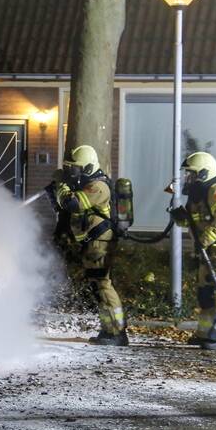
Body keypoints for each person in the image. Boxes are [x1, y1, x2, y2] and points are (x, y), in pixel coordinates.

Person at [55, 145, 127, 346]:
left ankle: (117, 332)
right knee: (98, 287)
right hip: (94, 243)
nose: (72, 172)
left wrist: (62, 185)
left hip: (100, 243)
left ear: (87, 168)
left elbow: (72, 203)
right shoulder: (88, 183)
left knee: (103, 285)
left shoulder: (98, 186)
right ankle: (109, 329)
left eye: (76, 168)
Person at [169, 151, 216, 351]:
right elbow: (193, 222)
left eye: (192, 174)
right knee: (205, 291)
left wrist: (204, 241)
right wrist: (178, 216)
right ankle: (206, 332)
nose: (188, 178)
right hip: (209, 247)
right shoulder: (198, 193)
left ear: (203, 173)